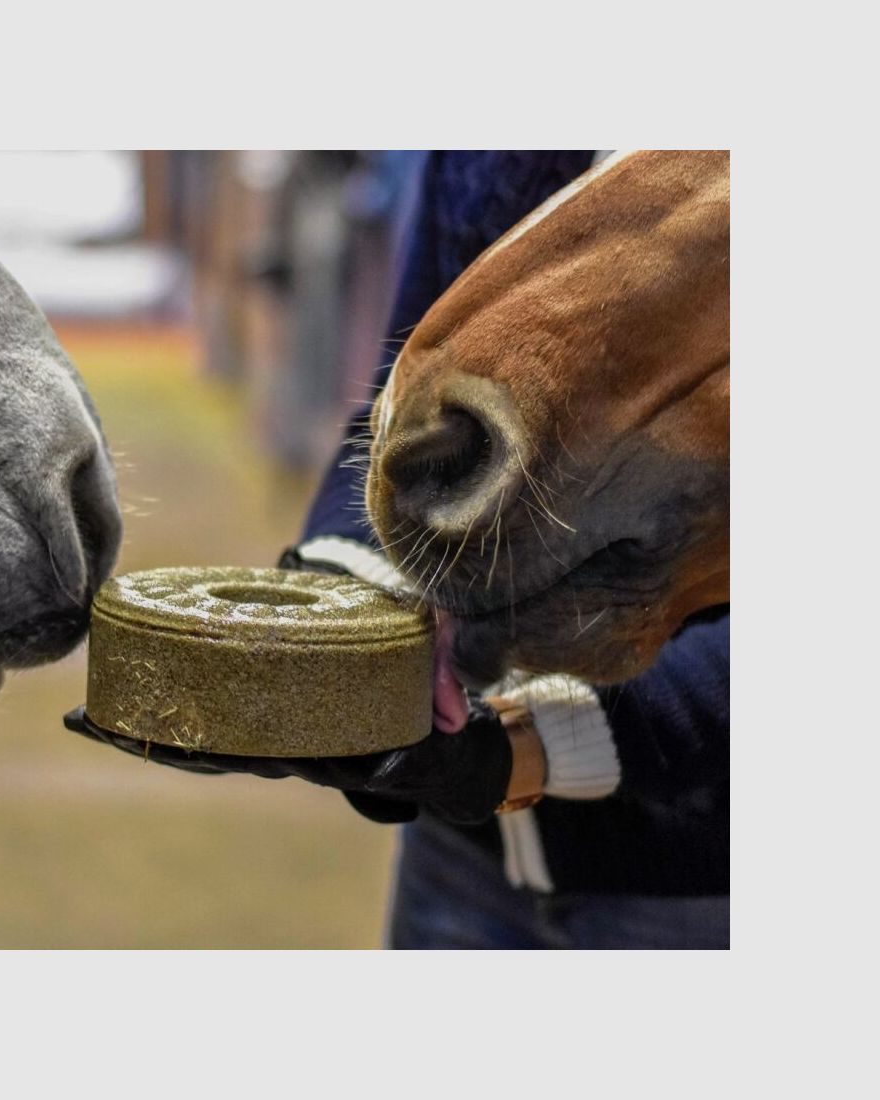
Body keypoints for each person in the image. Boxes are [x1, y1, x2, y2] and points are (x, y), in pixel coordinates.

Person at [68, 151, 729, 950]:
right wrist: (335, 603)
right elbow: (408, 395)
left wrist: (519, 751)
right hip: (461, 862)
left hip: (696, 893)